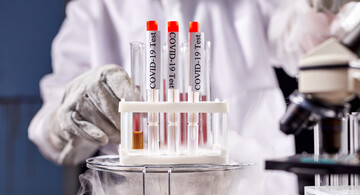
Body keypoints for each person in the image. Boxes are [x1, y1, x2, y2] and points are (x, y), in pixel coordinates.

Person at [28, 0, 359, 165]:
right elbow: (48, 131)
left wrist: (327, 17)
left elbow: (299, 34)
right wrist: (70, 117)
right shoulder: (95, 9)